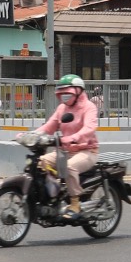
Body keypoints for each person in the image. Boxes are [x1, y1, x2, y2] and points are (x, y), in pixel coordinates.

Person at [36, 74, 99, 219]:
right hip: (65, 150)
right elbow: (49, 126)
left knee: (69, 167)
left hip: (87, 150)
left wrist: (74, 137)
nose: (64, 96)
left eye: (68, 92)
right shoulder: (61, 109)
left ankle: (75, 204)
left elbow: (89, 128)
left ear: (78, 91)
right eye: (62, 93)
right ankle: (54, 196)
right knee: (41, 163)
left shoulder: (89, 107)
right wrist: (31, 135)